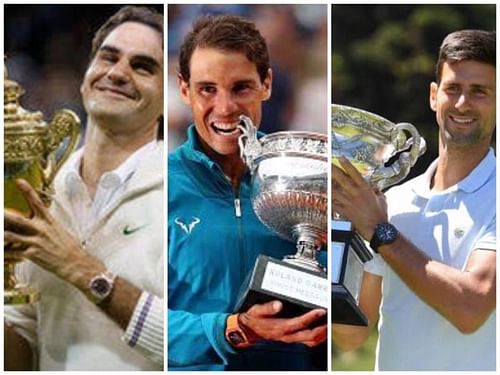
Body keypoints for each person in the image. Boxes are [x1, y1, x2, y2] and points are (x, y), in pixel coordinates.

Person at [4, 6, 164, 371]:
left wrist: (80, 268)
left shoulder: (183, 197)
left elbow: (195, 346)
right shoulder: (42, 189)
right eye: (108, 57)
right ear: (85, 75)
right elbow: (22, 343)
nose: (117, 72)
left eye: (142, 66)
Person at [168, 14, 327, 371]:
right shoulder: (159, 186)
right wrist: (232, 329)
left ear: (266, 84)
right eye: (207, 89)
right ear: (183, 89)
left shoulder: (302, 178)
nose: (225, 109)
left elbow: (341, 317)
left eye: (241, 88)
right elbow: (140, 320)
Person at [332, 29, 495, 371]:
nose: (463, 103)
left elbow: (471, 308)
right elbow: (351, 335)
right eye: (453, 89)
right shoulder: (393, 199)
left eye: (479, 91)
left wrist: (381, 233)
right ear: (434, 96)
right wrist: (336, 236)